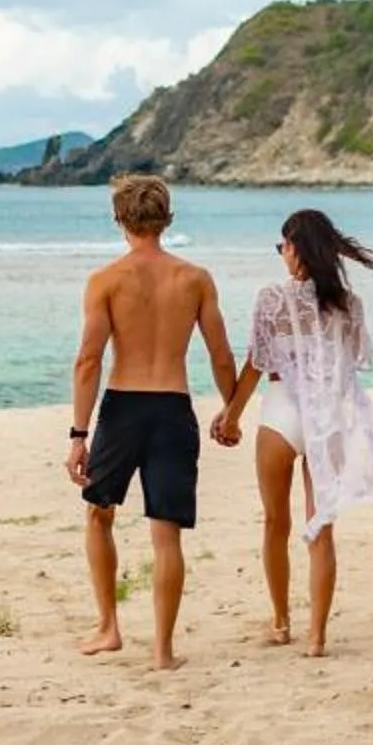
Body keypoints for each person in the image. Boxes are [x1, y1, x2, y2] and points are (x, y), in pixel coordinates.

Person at [210, 207, 373, 657]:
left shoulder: (271, 298)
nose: (281, 253)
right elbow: (349, 365)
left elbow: (257, 363)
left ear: (295, 248)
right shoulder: (349, 305)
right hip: (328, 419)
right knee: (322, 530)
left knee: (274, 523)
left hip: (281, 413)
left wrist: (231, 415)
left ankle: (281, 624)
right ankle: (317, 638)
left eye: (282, 245)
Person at [67, 174, 235, 671]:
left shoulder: (106, 280)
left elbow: (88, 361)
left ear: (120, 219)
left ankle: (109, 627)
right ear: (166, 218)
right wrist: (231, 410)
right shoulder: (195, 278)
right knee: (167, 535)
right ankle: (163, 651)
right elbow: (221, 355)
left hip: (123, 409)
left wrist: (79, 435)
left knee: (99, 514)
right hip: (172, 410)